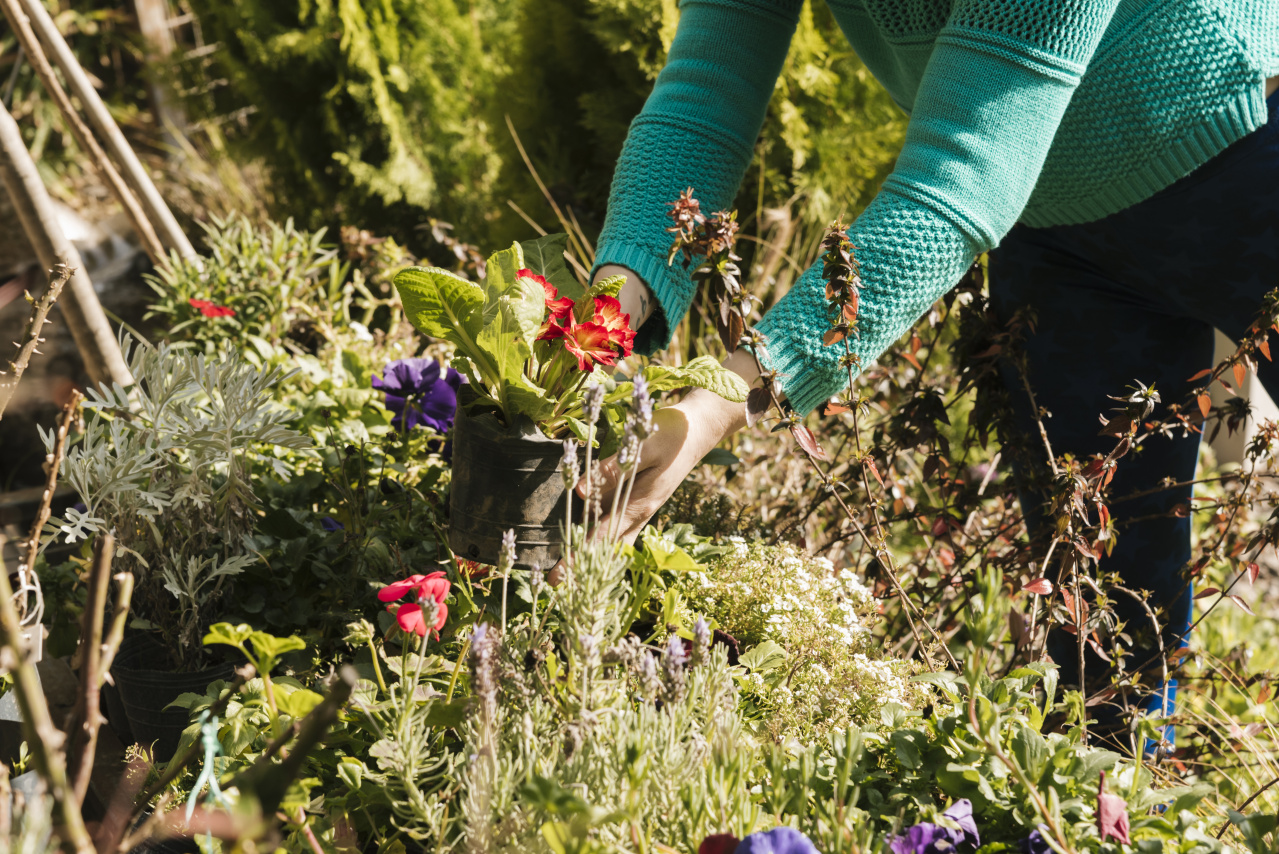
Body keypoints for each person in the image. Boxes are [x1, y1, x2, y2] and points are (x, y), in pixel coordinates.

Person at [583, 0, 1279, 744]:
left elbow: (956, 177)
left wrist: (713, 409)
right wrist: (596, 327)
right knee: (1100, 641)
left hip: (1244, 162)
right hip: (1052, 222)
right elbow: (704, 93)